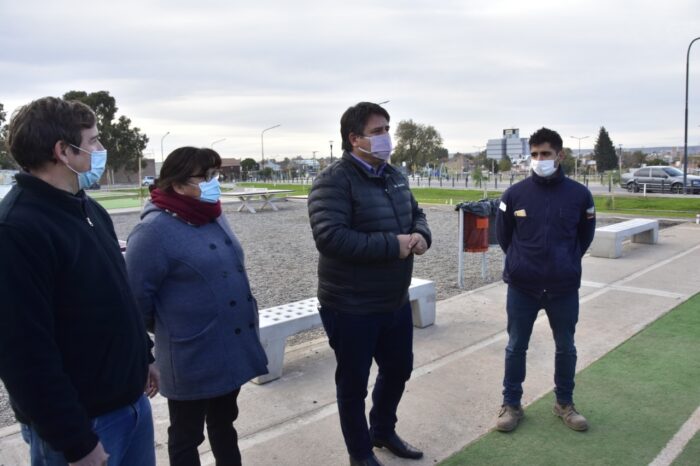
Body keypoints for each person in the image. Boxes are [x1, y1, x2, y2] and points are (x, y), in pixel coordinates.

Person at [0, 96, 157, 466]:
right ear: (63, 151)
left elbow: (117, 295)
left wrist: (144, 357)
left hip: (130, 405)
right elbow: (24, 354)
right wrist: (76, 442)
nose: (100, 149)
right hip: (85, 426)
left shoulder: (88, 209)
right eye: (93, 141)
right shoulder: (17, 230)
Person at [125, 146, 268, 466]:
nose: (212, 182)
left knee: (224, 423)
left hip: (229, 346)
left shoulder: (212, 213)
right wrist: (170, 330)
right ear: (176, 184)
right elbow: (136, 301)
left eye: (214, 175)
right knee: (186, 436)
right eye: (204, 177)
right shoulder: (152, 231)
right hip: (191, 354)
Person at [308, 102, 431, 466]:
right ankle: (359, 453)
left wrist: (421, 235)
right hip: (350, 305)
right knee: (353, 384)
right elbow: (330, 237)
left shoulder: (394, 175)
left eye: (387, 129)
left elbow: (416, 212)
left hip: (393, 299)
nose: (386, 138)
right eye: (378, 131)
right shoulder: (333, 180)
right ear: (354, 138)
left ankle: (382, 429)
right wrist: (392, 245)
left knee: (399, 369)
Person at [495, 127, 596, 433]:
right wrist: (522, 262)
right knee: (515, 347)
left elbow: (585, 237)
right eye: (535, 154)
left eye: (546, 154)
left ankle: (564, 403)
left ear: (559, 155)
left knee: (566, 346)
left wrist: (566, 261)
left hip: (563, 287)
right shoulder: (514, 195)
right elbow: (504, 237)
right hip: (522, 286)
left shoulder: (580, 195)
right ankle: (511, 405)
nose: (540, 159)